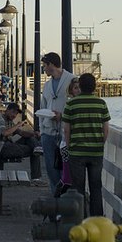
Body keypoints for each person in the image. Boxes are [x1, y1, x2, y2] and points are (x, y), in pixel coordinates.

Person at [63, 73, 111, 217]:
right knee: (96, 186)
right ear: (94, 87)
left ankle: (80, 218)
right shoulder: (101, 103)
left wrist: (69, 145)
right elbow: (106, 128)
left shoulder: (71, 104)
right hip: (96, 151)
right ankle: (97, 219)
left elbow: (66, 129)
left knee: (78, 187)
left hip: (77, 152)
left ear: (81, 86)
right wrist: (101, 143)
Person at [39, 52, 75, 195]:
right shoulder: (47, 85)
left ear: (51, 65)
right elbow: (43, 105)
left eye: (44, 66)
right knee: (50, 169)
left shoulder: (72, 80)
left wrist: (63, 116)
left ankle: (66, 202)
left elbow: (76, 104)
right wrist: (41, 130)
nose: (44, 69)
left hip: (65, 133)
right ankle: (56, 201)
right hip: (48, 132)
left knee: (65, 169)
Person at [0, 103, 42, 182]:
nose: (14, 115)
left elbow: (21, 133)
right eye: (13, 112)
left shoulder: (9, 121)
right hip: (3, 149)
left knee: (31, 141)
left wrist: (33, 134)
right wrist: (17, 125)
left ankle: (38, 147)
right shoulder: (1, 120)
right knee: (33, 151)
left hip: (8, 146)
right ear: (7, 110)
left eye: (16, 114)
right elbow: (4, 133)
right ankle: (36, 178)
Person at [55, 77, 80, 196]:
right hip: (67, 145)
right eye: (75, 88)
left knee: (68, 177)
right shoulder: (69, 104)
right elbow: (66, 128)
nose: (78, 90)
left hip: (69, 145)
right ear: (71, 91)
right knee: (67, 178)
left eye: (80, 87)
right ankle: (60, 202)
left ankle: (59, 200)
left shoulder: (72, 104)